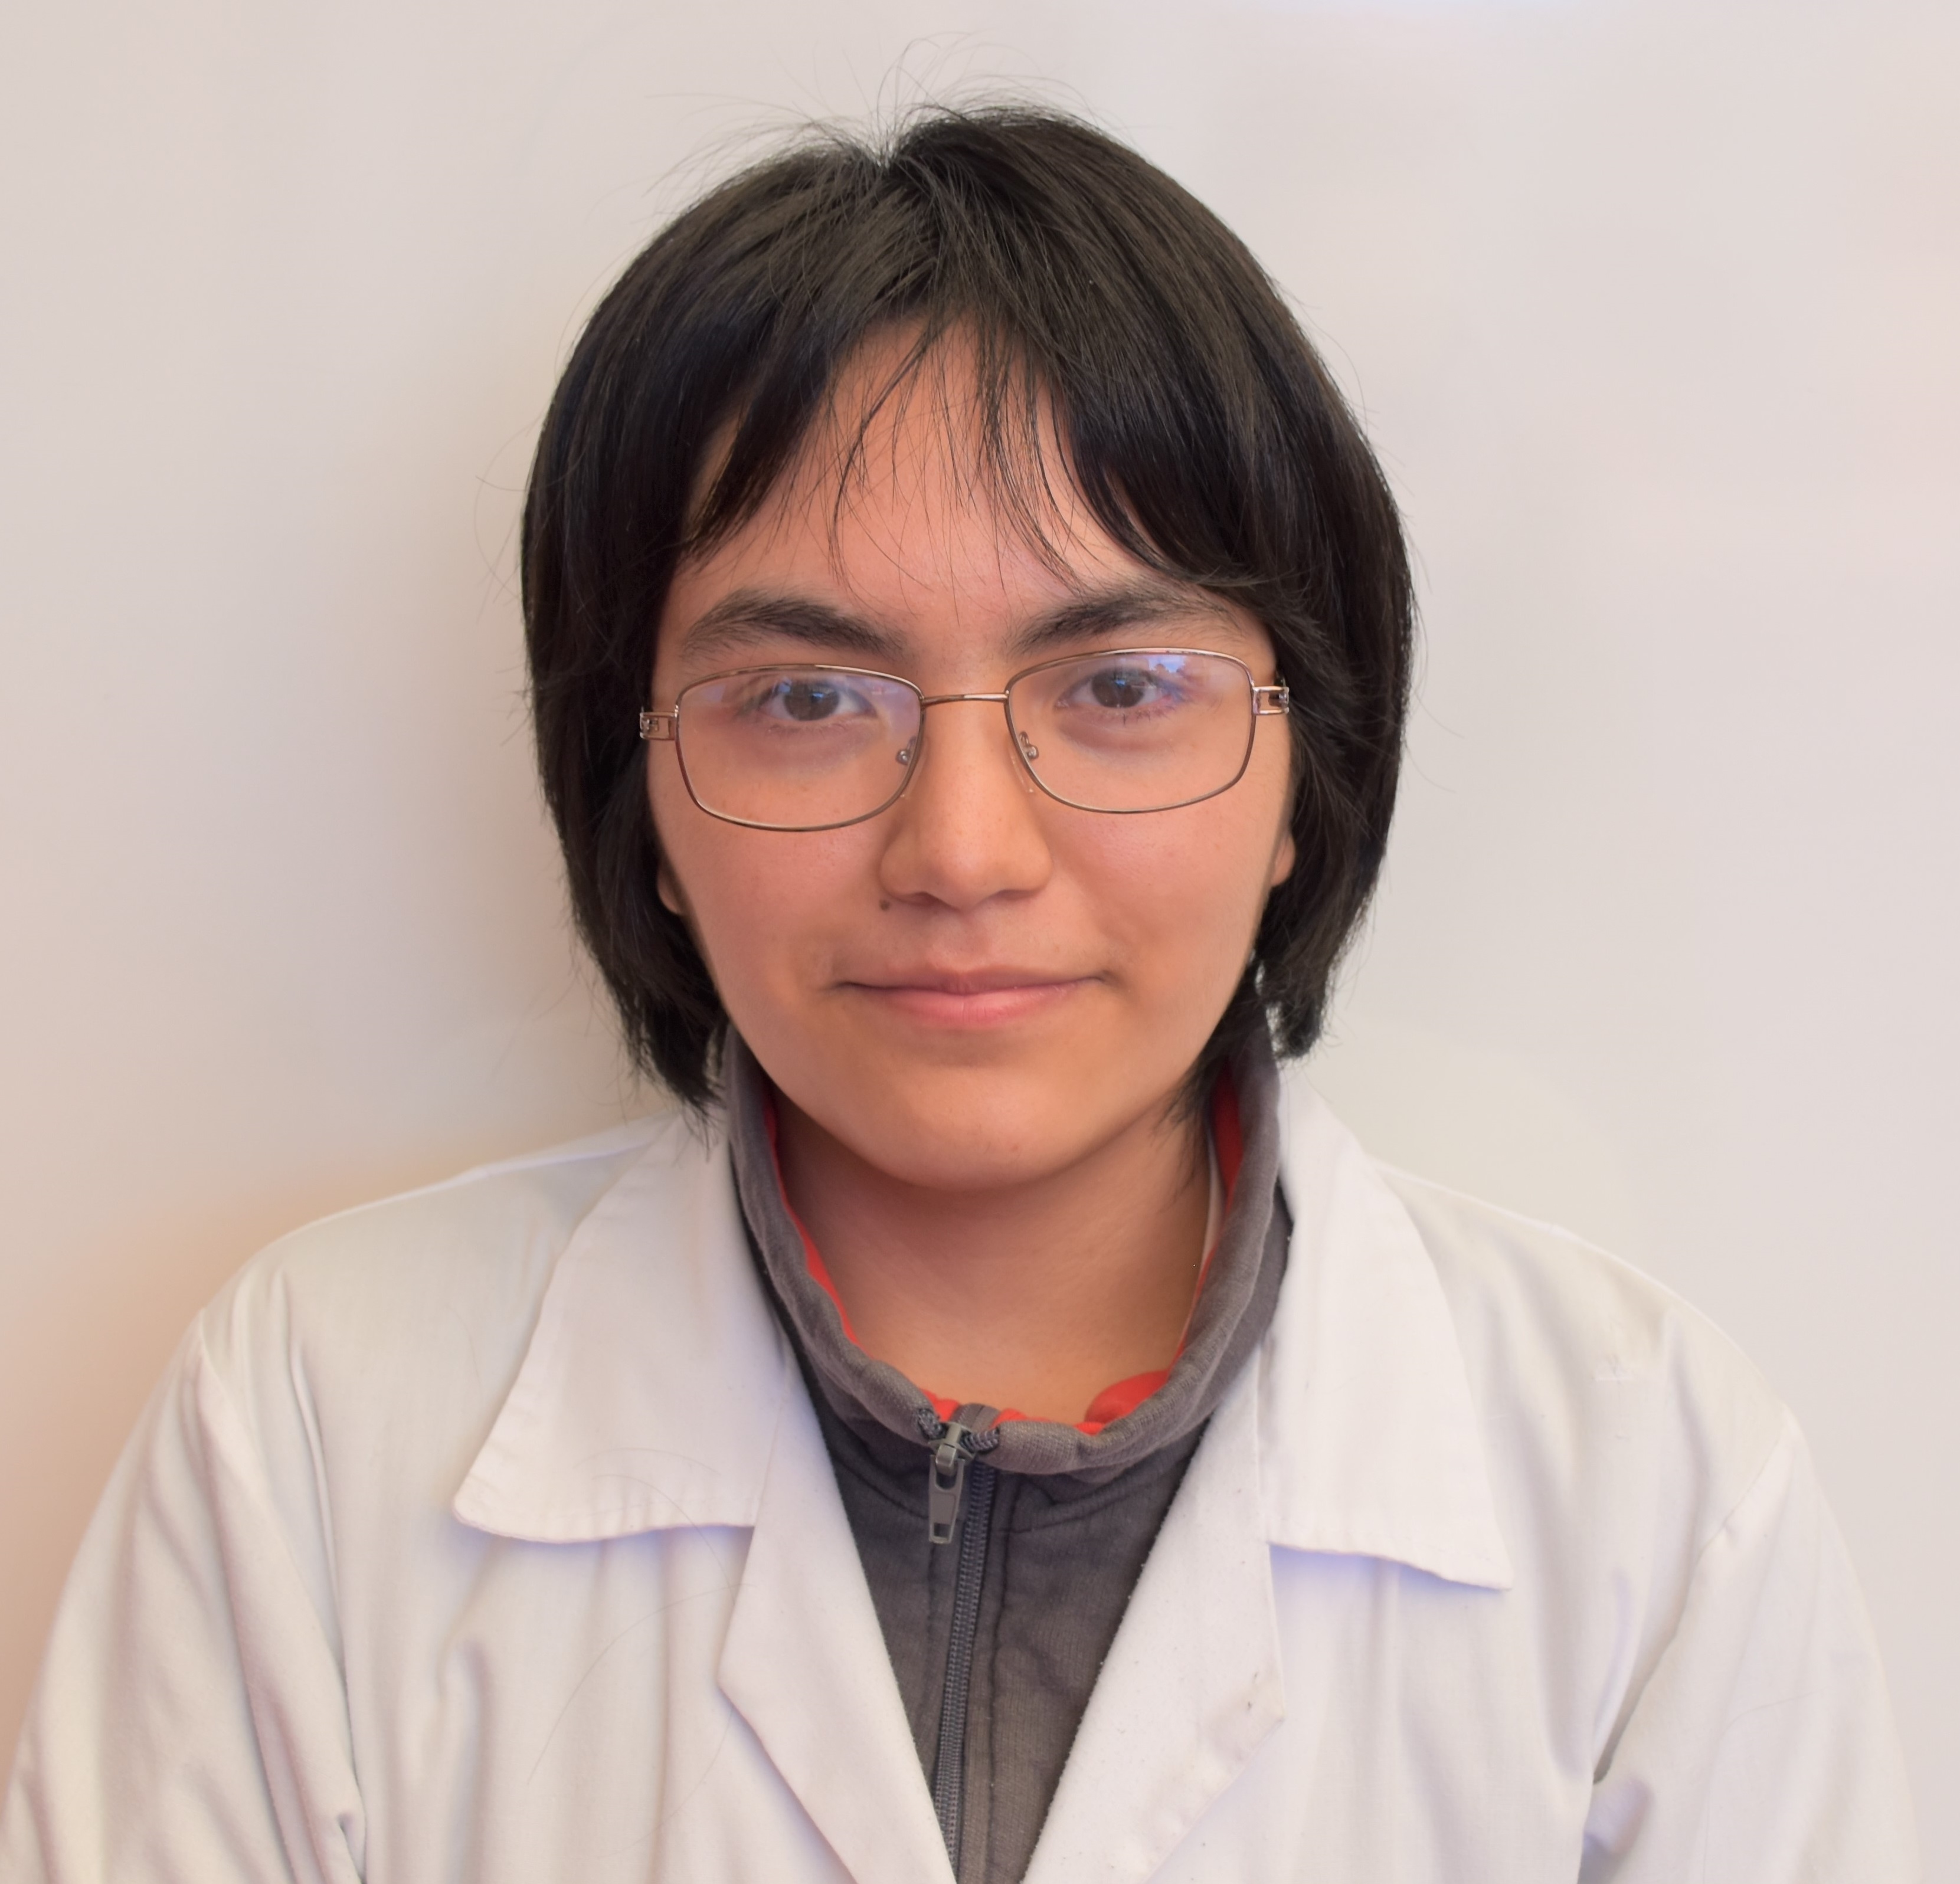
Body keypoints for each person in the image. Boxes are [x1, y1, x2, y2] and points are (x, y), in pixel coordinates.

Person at [0, 106, 1919, 1884]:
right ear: (636, 794)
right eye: (806, 697)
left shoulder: (1646, 1483)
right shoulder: (316, 1429)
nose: (965, 850)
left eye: (1120, 685)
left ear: (1301, 774)